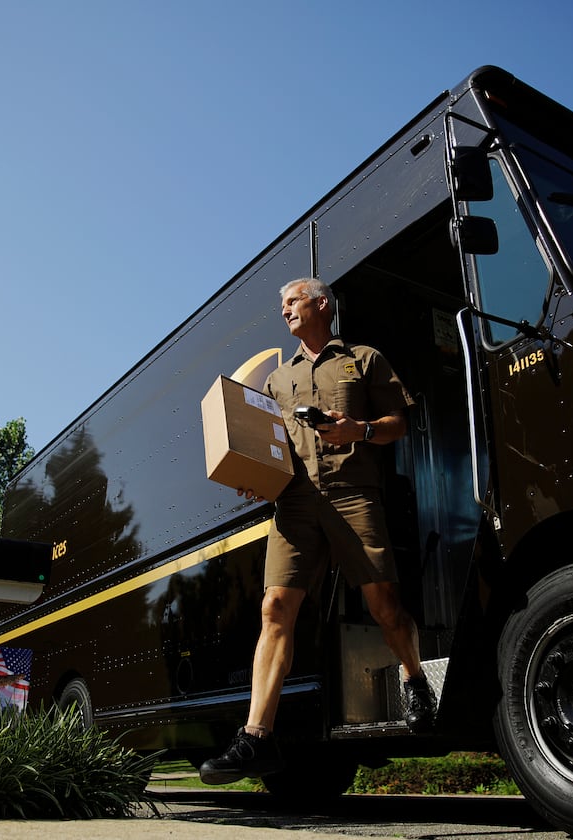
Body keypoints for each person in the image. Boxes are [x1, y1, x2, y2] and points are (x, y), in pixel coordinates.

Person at [199, 277, 434, 785]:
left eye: (292, 301)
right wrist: (255, 475)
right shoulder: (277, 380)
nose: (284, 310)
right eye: (281, 305)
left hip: (353, 493)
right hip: (295, 502)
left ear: (321, 304)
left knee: (385, 605)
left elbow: (398, 422)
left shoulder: (364, 359)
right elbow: (266, 443)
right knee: (274, 608)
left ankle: (415, 680)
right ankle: (257, 738)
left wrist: (359, 430)